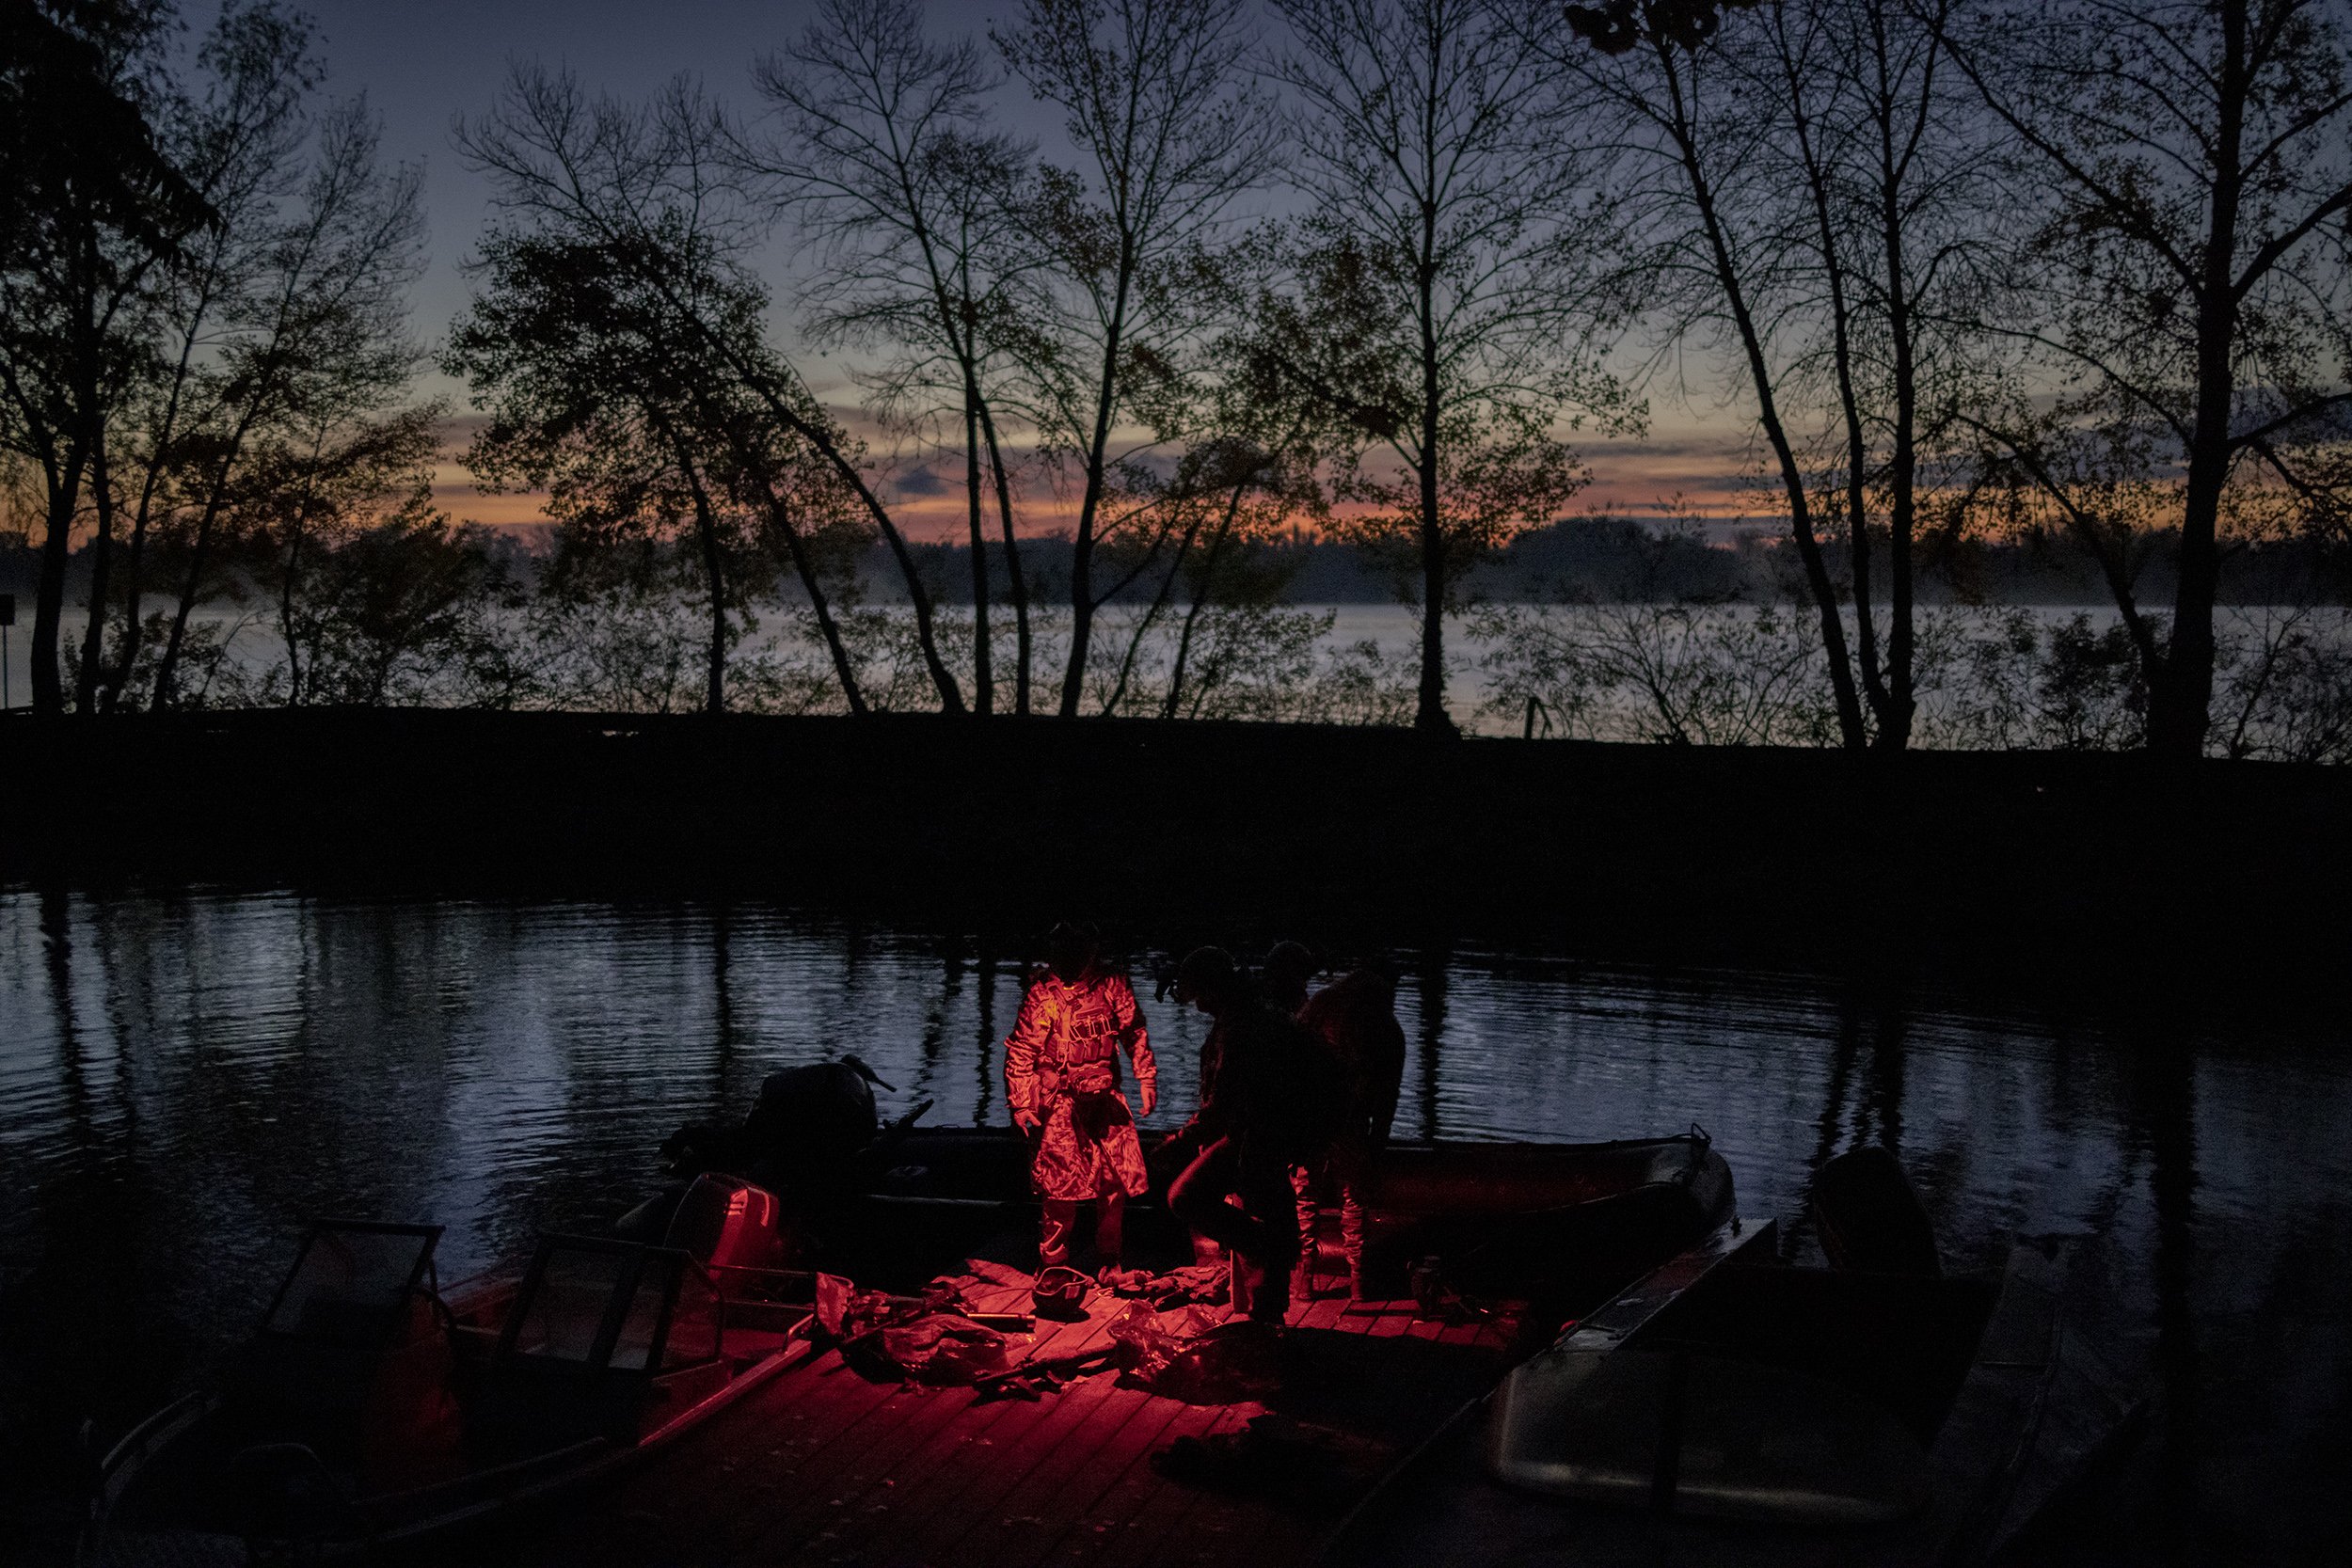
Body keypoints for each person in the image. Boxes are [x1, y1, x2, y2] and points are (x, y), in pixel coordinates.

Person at [1163, 946, 1337, 1326]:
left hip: (1261, 1137)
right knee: (1268, 1215)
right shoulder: (1251, 1011)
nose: (1196, 1006)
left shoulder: (1242, 1026)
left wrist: (1181, 1140)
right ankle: (1268, 1307)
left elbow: (1224, 1100)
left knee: (1189, 1197)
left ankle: (1268, 1306)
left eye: (1199, 996)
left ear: (1214, 988)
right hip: (1258, 1134)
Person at [1003, 923, 1156, 1277]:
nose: (1069, 958)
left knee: (1114, 1184)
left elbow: (1134, 1031)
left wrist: (1145, 1076)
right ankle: (1054, 1262)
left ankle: (1109, 1259)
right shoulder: (1043, 995)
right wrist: (1023, 1103)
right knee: (1059, 1191)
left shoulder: (1112, 986)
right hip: (1061, 1104)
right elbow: (1021, 1051)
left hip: (1105, 1102)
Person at [1293, 960, 1407, 1299]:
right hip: (1352, 1123)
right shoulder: (1386, 1028)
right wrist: (1377, 1148)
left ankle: (1306, 1279)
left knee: (1305, 1196)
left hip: (1310, 1120)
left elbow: (1291, 1062)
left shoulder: (1319, 1009)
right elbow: (1388, 1098)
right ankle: (1357, 1281)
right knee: (1354, 1200)